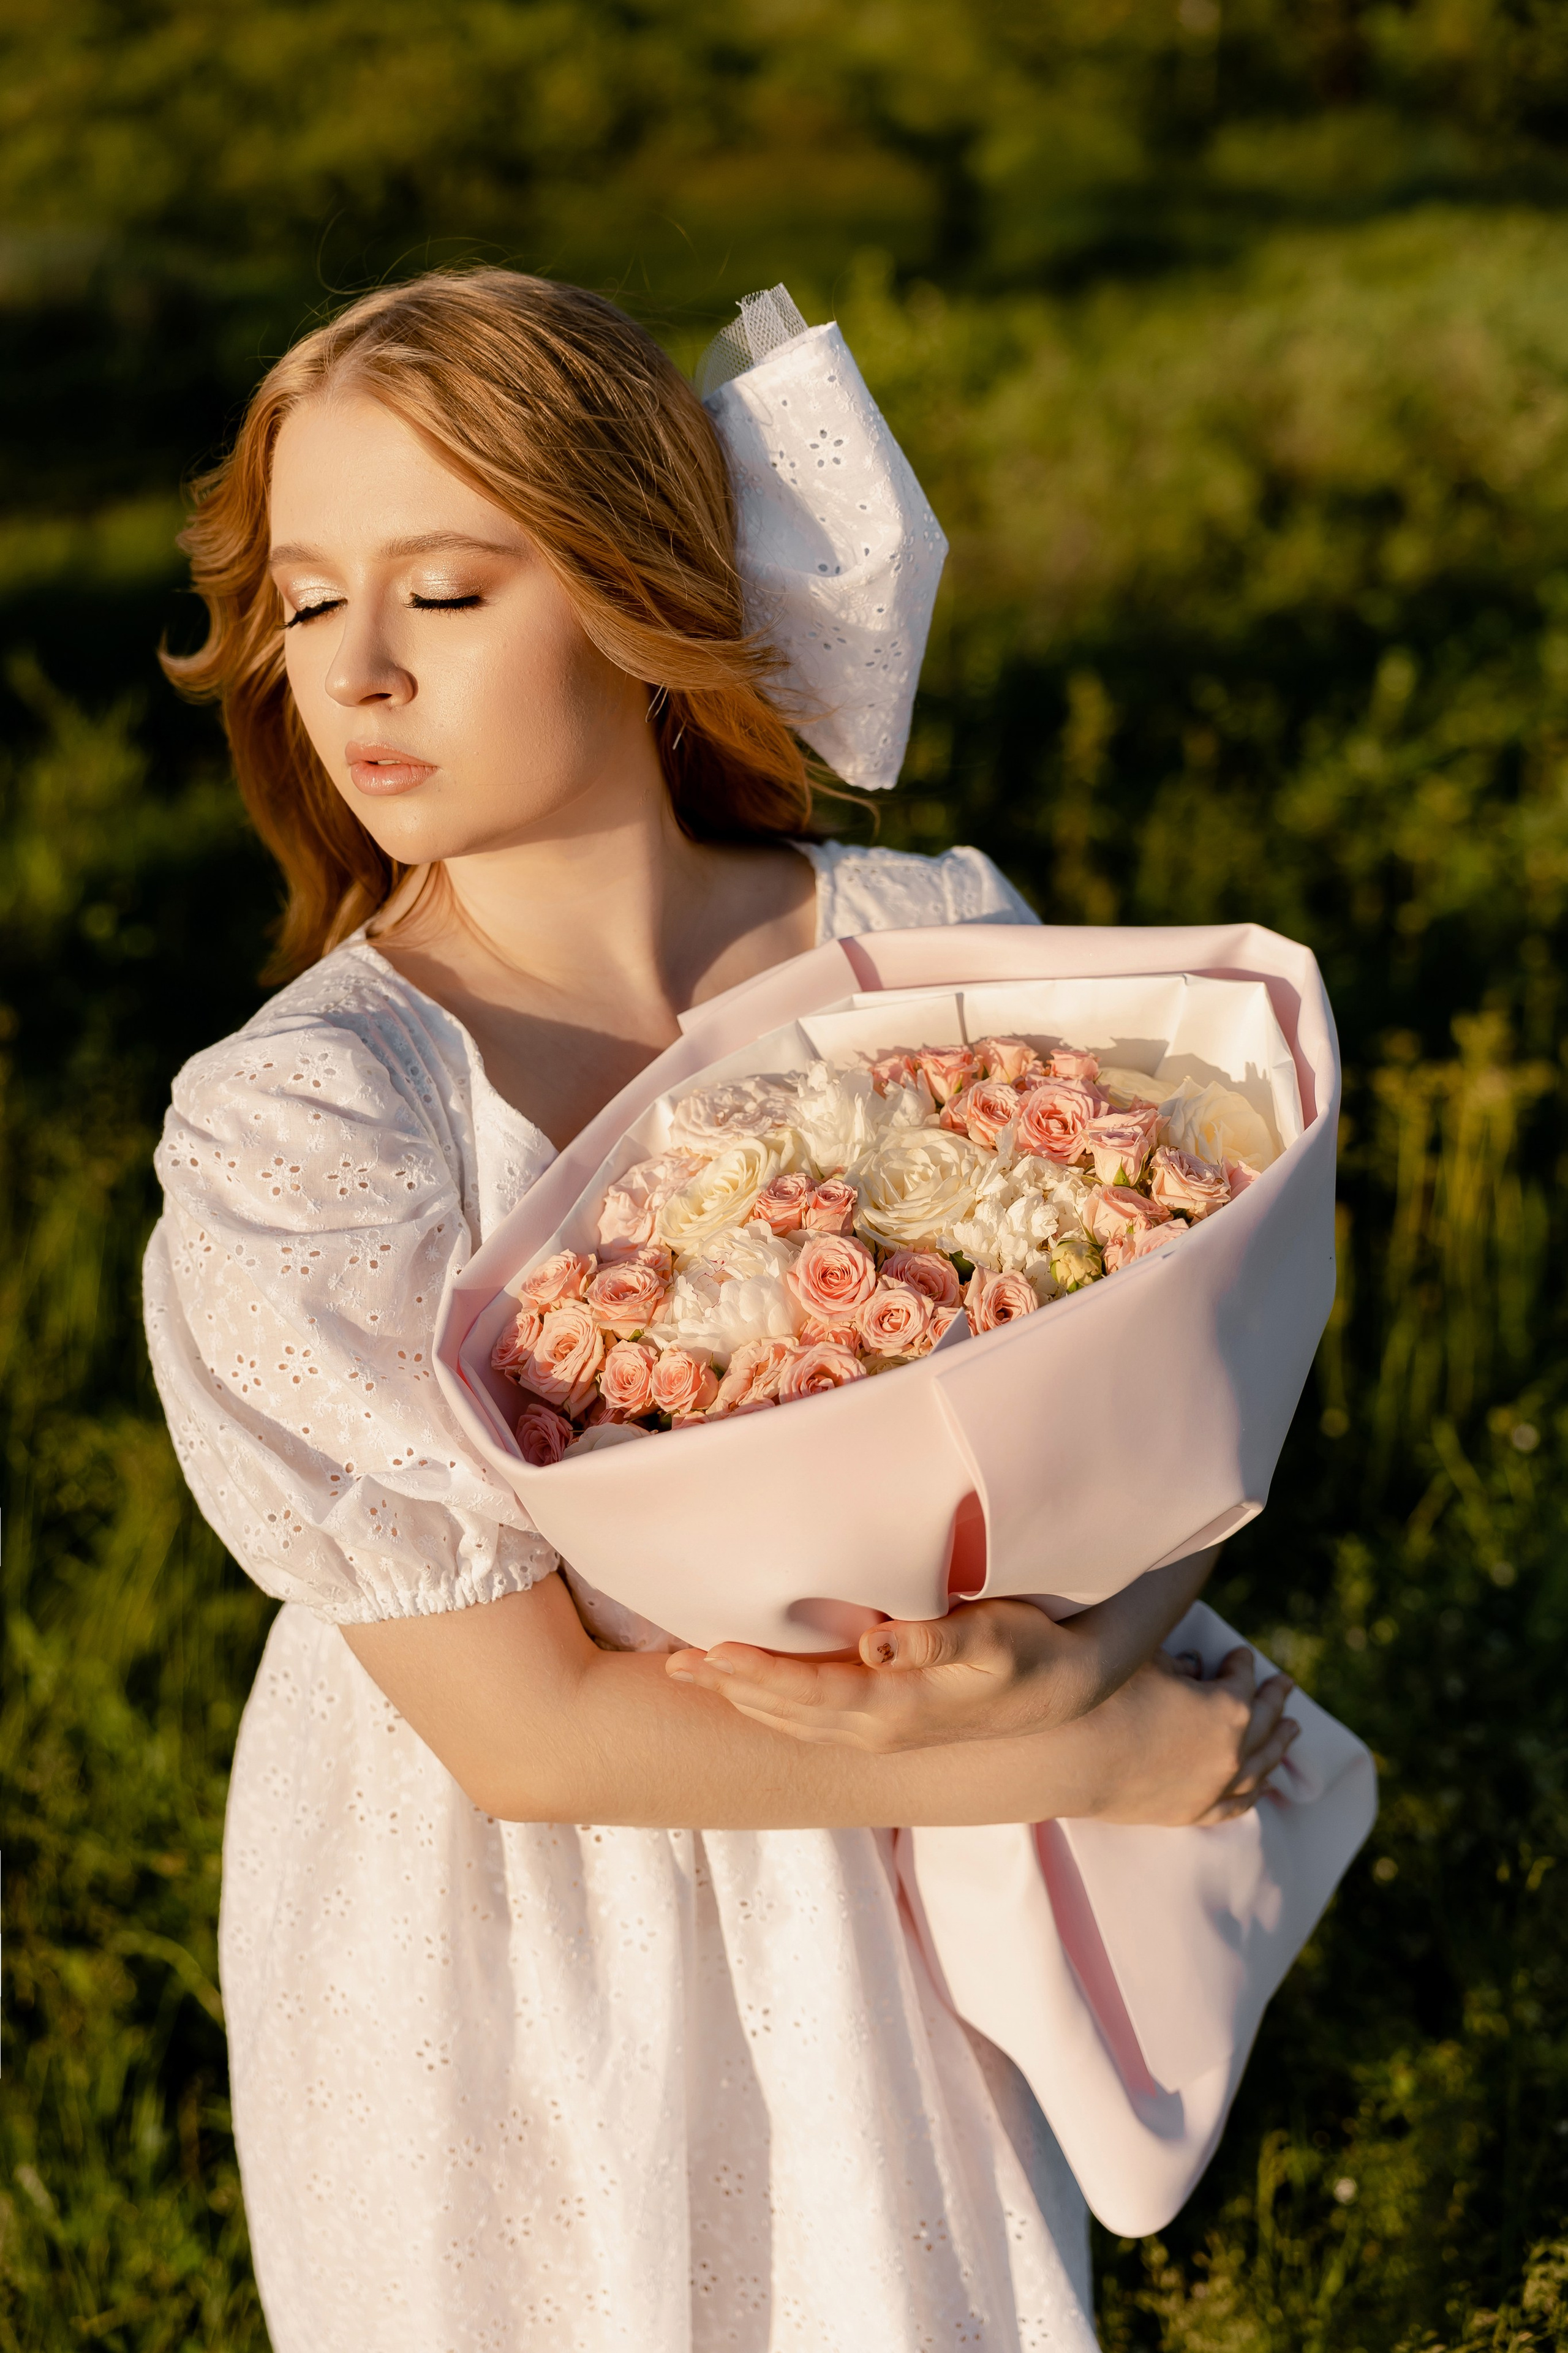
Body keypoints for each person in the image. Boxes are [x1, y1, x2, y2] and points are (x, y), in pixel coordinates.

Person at [143, 269, 1298, 2352]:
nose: (363, 673)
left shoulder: (934, 943)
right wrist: (1107, 1751)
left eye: (451, 591)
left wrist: (1061, 1671)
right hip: (508, 1934)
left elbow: (1156, 1427)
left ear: (633, 591)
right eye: (311, 604)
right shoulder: (309, 1122)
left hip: (893, 1884)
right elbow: (529, 1737)